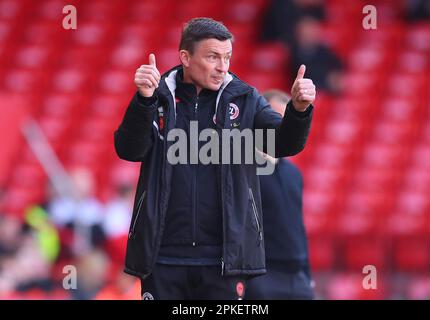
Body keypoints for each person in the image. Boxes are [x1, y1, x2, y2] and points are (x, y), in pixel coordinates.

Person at [114, 17, 316, 300]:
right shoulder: (157, 96)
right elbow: (128, 149)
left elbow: (282, 143)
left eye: (227, 57)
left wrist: (298, 110)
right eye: (212, 57)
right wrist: (143, 101)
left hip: (224, 262)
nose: (223, 66)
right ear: (185, 57)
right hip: (163, 258)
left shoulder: (245, 98)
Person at [245, 90, 314, 300]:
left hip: (297, 276)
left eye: (284, 119)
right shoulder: (244, 168)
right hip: (261, 275)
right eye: (274, 118)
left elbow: (297, 226)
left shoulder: (293, 173)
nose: (280, 126)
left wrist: (306, 273)